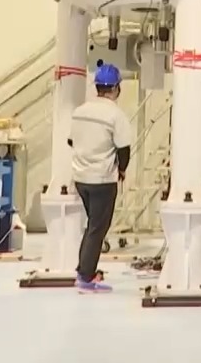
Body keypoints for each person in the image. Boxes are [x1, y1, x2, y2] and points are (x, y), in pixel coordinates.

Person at [67, 63, 132, 293]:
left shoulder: (80, 111)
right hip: (102, 180)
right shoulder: (116, 115)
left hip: (80, 178)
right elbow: (124, 149)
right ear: (116, 88)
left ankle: (84, 269)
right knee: (97, 228)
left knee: (92, 226)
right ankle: (85, 277)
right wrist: (122, 170)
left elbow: (71, 140)